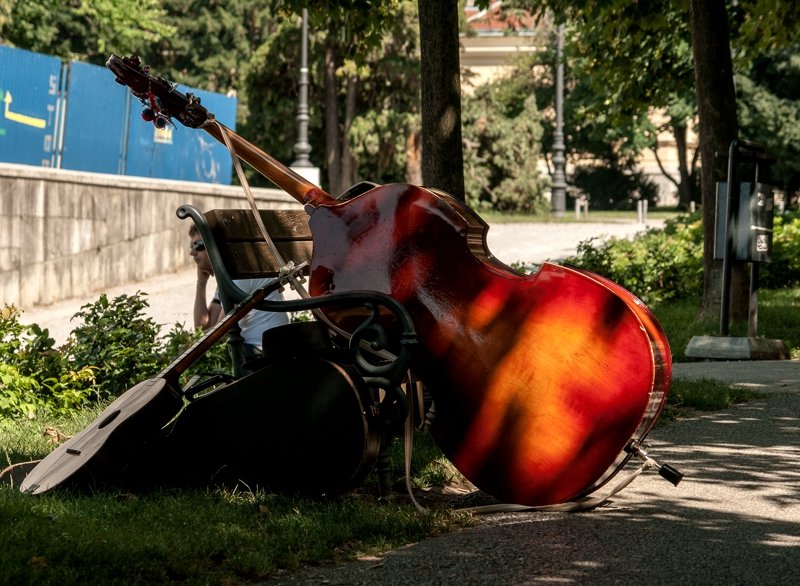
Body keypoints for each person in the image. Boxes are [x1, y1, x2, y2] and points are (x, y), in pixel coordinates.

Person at [189, 224, 289, 362]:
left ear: (215, 247)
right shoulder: (229, 274)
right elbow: (203, 326)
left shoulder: (239, 275)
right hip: (260, 348)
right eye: (191, 247)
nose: (192, 253)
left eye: (198, 246)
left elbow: (219, 333)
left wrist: (190, 345)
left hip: (265, 352)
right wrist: (201, 283)